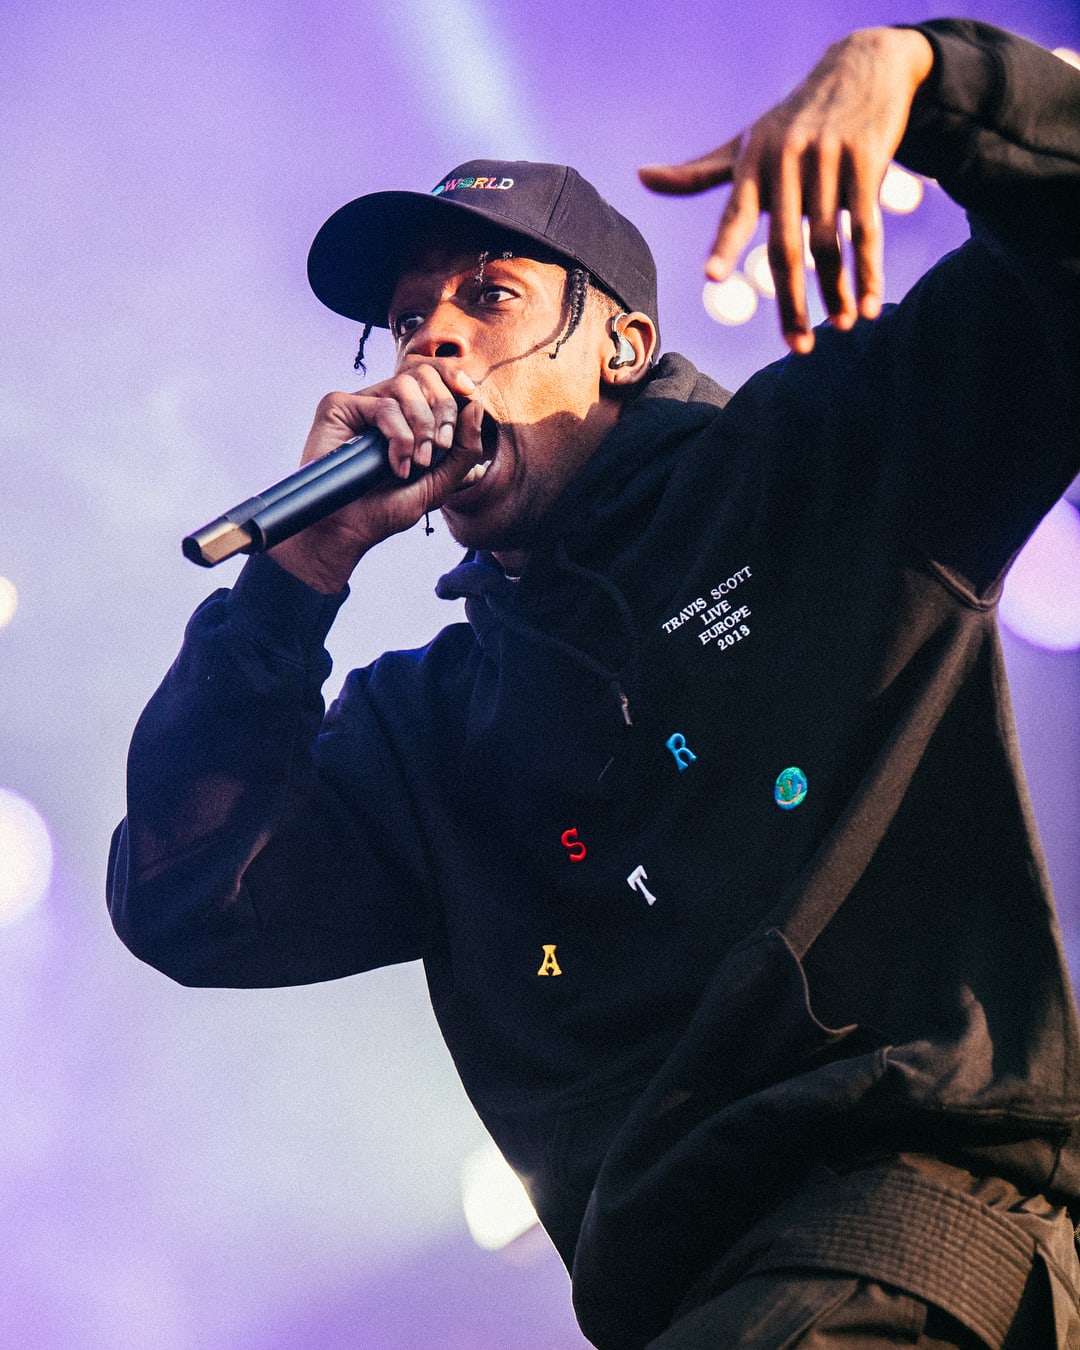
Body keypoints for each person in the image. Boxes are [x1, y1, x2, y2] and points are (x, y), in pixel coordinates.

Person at [108, 19, 1080, 1349]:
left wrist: (926, 74)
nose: (431, 346)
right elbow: (189, 897)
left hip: (912, 1218)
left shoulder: (814, 468)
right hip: (691, 1300)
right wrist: (293, 582)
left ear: (619, 344)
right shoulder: (427, 730)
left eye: (488, 298)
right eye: (406, 322)